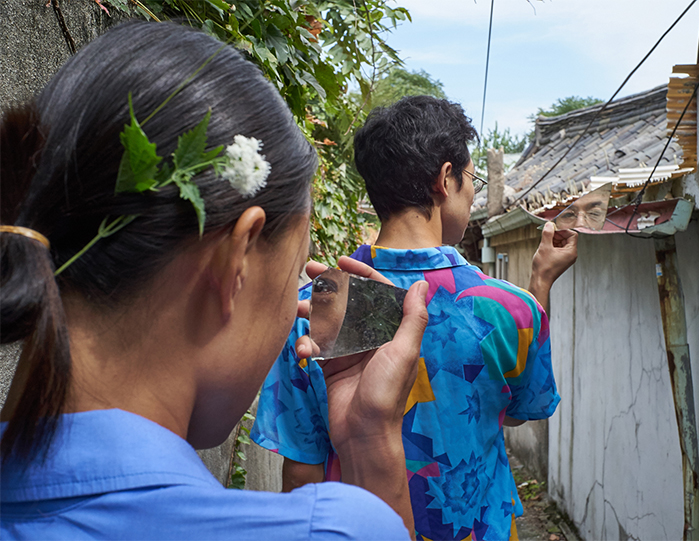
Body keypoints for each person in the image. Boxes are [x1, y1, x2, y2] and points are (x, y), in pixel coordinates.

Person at [0, 21, 429, 540]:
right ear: (236, 261)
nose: (295, 308)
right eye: (295, 273)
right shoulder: (337, 530)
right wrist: (369, 439)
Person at [251, 96, 578, 540]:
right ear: (446, 179)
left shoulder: (314, 307)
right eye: (471, 180)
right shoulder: (511, 308)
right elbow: (517, 412)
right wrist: (537, 289)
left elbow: (301, 472)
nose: (472, 192)